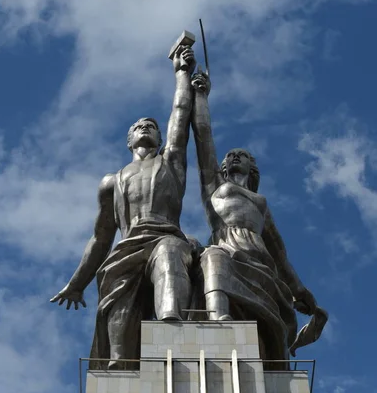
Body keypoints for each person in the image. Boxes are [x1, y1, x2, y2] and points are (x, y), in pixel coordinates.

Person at [51, 43, 197, 369]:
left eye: (152, 125)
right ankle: (119, 362)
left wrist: (181, 73)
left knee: (171, 253)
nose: (146, 126)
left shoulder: (172, 163)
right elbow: (101, 238)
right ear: (129, 140)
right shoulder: (111, 182)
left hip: (166, 236)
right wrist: (77, 284)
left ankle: (172, 326)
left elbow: (180, 113)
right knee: (118, 292)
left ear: (161, 138)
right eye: (138, 126)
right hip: (127, 246)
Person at [191, 71, 319, 367]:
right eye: (230, 155)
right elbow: (203, 139)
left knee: (265, 326)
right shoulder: (215, 188)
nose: (234, 157)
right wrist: (201, 97)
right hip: (226, 246)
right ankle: (216, 321)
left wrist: (300, 290)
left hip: (260, 261)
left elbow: (280, 254)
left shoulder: (261, 204)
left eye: (242, 155)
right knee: (213, 257)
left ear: (252, 166)